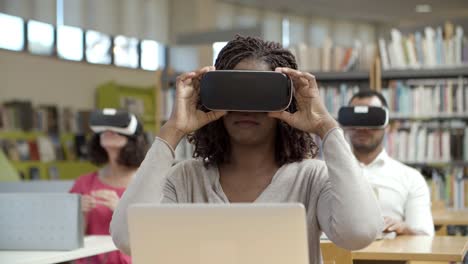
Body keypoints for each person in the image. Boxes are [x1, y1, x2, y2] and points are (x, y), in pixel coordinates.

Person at [110, 36, 383, 264]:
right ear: (213, 96)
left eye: (260, 93)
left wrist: (326, 127)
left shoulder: (311, 178)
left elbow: (359, 232)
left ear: (286, 101)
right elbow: (128, 239)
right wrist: (172, 131)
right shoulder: (185, 180)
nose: (246, 107)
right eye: (235, 91)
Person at [346, 90, 434, 236]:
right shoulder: (325, 173)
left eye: (372, 119)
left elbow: (425, 236)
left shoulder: (411, 178)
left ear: (387, 125)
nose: (362, 127)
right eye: (356, 119)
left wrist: (403, 229)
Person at [70, 110, 149, 264]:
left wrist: (121, 212)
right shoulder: (84, 183)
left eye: (116, 129)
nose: (109, 131)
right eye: (105, 129)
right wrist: (79, 214)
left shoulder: (147, 182)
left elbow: (154, 237)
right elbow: (70, 239)